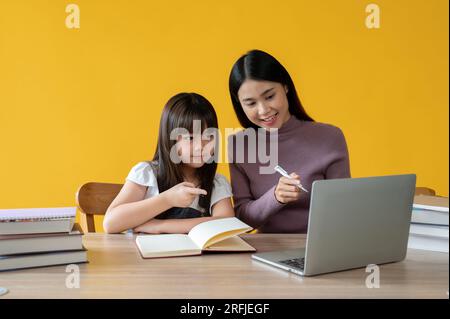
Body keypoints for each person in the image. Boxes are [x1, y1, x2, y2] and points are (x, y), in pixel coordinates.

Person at [228, 50, 351, 233]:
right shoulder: (239, 145)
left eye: (270, 96)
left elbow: (344, 210)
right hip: (265, 252)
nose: (263, 110)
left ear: (285, 86)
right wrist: (275, 197)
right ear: (240, 105)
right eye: (251, 103)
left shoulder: (330, 137)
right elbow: (242, 221)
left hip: (323, 247)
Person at [103, 93, 234, 234]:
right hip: (144, 255)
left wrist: (158, 226)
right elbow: (111, 223)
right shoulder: (147, 174)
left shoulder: (216, 183)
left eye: (209, 137)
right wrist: (168, 199)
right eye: (190, 137)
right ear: (170, 139)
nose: (200, 146)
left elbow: (227, 223)